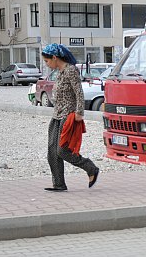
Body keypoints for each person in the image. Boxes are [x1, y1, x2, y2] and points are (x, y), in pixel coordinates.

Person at [42, 43, 99, 192]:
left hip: (68, 116)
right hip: (57, 116)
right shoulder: (60, 72)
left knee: (63, 150)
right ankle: (59, 184)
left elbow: (79, 92)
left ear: (55, 57)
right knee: (52, 152)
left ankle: (90, 168)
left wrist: (80, 112)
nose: (47, 65)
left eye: (47, 61)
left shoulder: (70, 70)